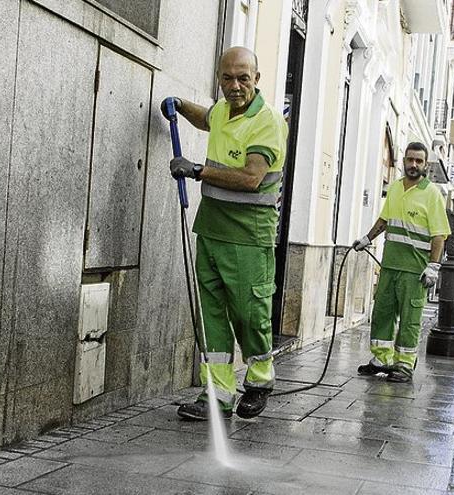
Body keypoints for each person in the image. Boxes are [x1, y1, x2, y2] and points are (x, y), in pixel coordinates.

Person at [162, 47, 288, 421]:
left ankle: (260, 380)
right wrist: (181, 105)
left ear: (257, 79)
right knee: (212, 315)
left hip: (249, 235)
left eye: (243, 78)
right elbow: (208, 118)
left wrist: (196, 170)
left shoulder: (266, 121)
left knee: (250, 314)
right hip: (212, 229)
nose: (235, 86)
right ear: (219, 78)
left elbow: (251, 178)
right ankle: (217, 395)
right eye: (227, 78)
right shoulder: (224, 110)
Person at [352, 142, 451, 383]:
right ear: (404, 161)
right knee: (382, 314)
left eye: (419, 161)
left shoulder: (432, 194)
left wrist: (433, 266)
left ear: (426, 164)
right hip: (390, 265)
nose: (414, 165)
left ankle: (404, 364)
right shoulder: (395, 188)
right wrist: (367, 238)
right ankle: (382, 359)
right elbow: (385, 219)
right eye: (410, 160)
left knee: (409, 319)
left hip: (414, 270)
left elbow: (439, 234)